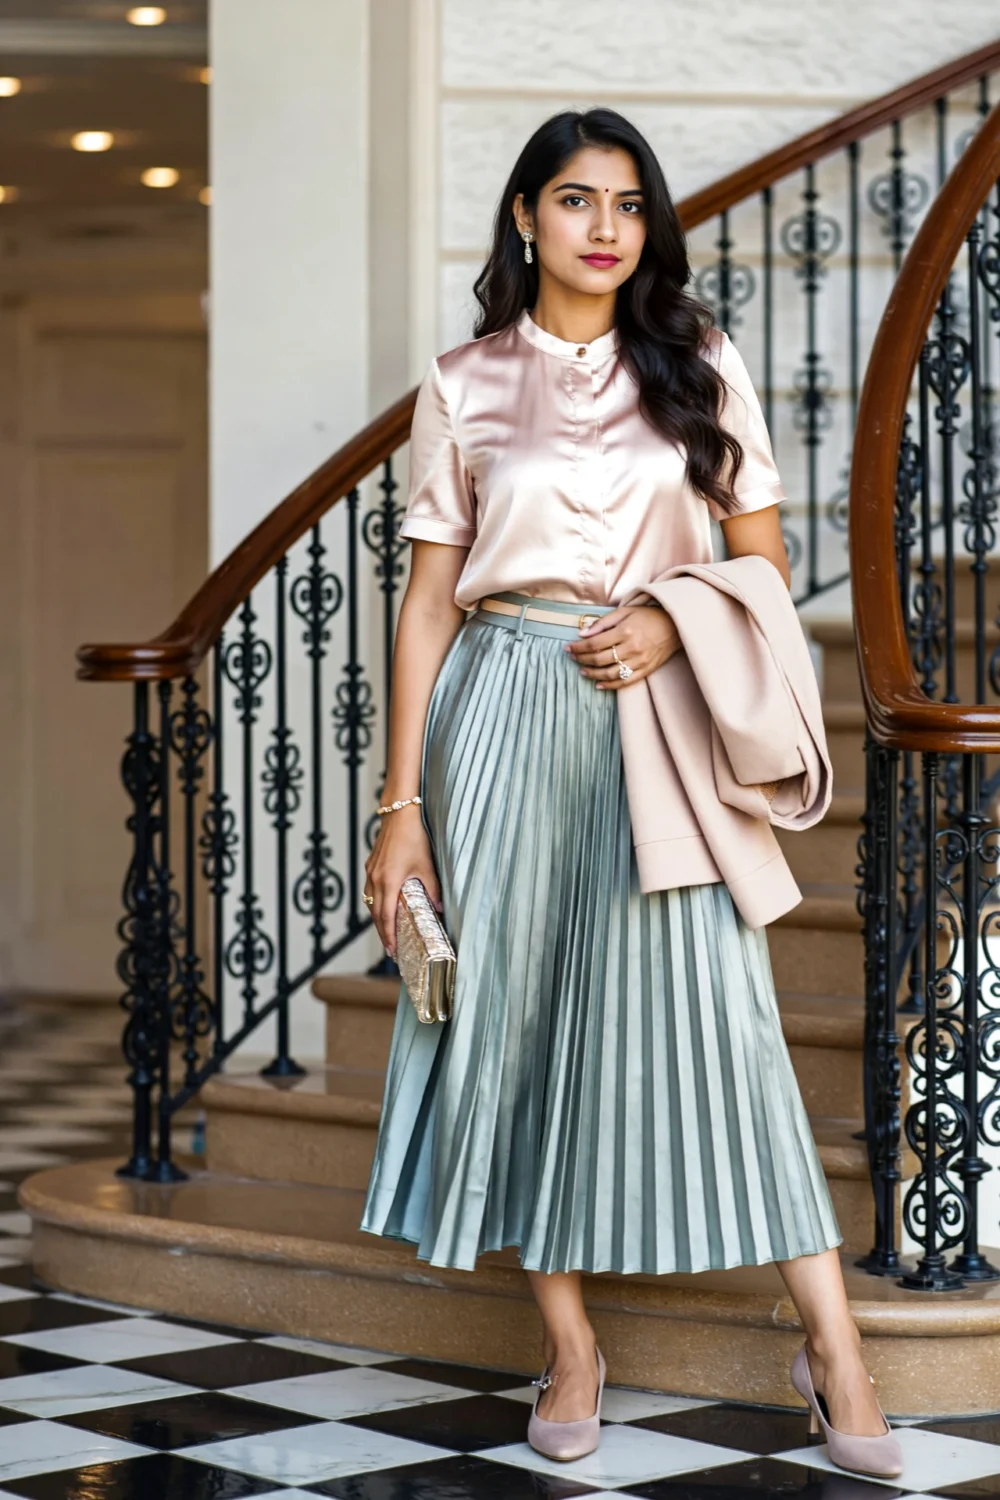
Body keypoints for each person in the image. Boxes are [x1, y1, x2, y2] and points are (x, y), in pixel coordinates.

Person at [358, 107, 902, 1481]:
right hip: (500, 716)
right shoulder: (465, 381)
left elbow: (766, 561)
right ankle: (575, 1346)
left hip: (654, 718)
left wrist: (671, 616)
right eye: (575, 200)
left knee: (725, 1023)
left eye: (629, 206)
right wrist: (400, 808)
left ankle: (833, 1347)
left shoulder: (698, 364)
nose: (604, 228)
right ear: (528, 217)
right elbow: (428, 606)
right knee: (509, 1026)